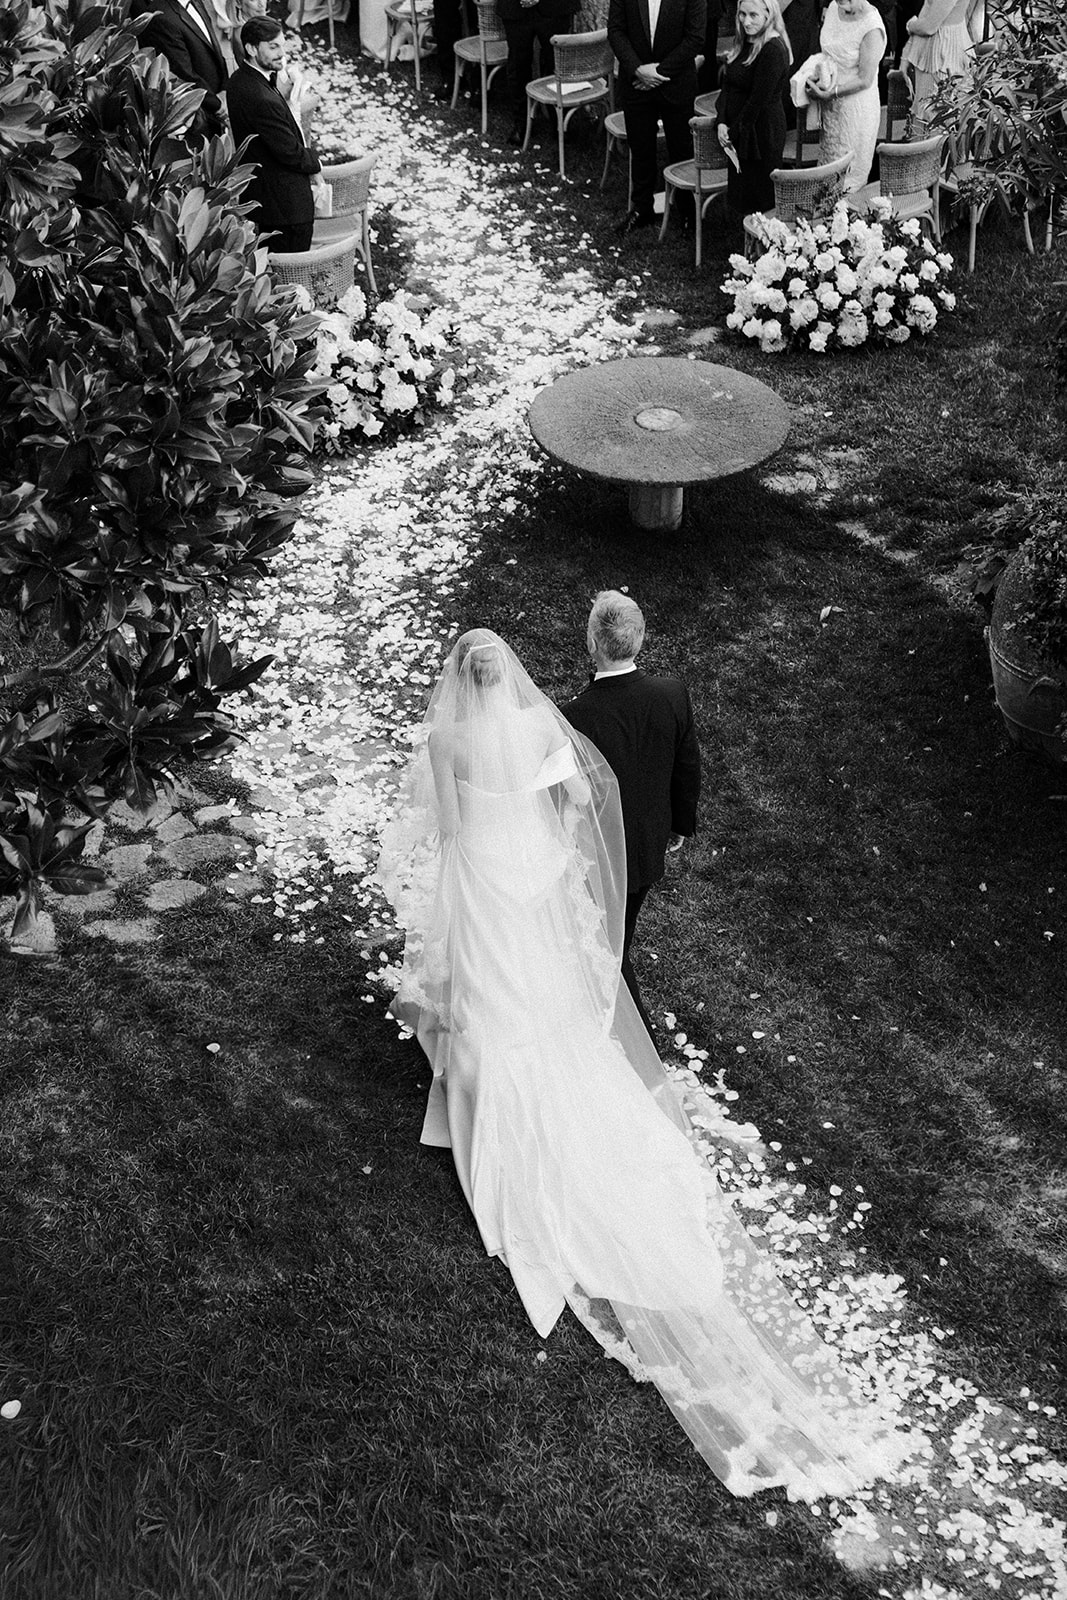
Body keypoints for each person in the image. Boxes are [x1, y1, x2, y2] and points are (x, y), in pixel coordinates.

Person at [377, 628, 916, 1502]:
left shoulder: (448, 739)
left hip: (485, 871)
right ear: (502, 672)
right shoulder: (537, 721)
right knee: (546, 994)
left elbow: (443, 824)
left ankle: (477, 1088)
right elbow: (574, 810)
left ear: (453, 679)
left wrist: (475, 848)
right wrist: (542, 852)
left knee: (490, 989)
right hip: (532, 871)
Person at [561, 591, 699, 1036]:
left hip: (601, 856)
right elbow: (686, 764)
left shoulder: (575, 718)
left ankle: (637, 1045)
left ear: (592, 643)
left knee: (609, 949)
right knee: (616, 936)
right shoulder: (671, 694)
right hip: (648, 844)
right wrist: (680, 823)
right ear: (639, 639)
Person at [226, 16, 324, 254]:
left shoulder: (239, 80)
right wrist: (316, 161)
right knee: (292, 281)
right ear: (251, 49)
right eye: (273, 47)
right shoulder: (261, 98)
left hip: (267, 201)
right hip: (286, 211)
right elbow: (289, 152)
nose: (282, 53)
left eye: (282, 45)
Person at [607, 0, 706, 235]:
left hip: (676, 82)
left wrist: (658, 74)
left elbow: (694, 39)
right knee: (640, 148)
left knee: (682, 149)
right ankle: (641, 209)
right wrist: (638, 70)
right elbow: (616, 31)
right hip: (636, 82)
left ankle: (688, 213)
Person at [715, 0, 792, 216]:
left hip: (761, 131)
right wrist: (721, 120)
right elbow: (727, 85)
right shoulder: (744, 40)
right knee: (743, 192)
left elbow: (757, 101)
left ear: (769, 14)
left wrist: (732, 132)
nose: (745, 21)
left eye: (753, 15)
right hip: (738, 128)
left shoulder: (773, 49)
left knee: (761, 196)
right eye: (742, 14)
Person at [808, 0, 888, 190]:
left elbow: (865, 80)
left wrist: (830, 94)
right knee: (827, 172)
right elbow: (827, 52)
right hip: (830, 107)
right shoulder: (834, 7)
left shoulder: (872, 27)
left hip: (856, 110)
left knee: (848, 180)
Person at [132, 0, 230, 140]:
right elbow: (183, 73)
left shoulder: (196, 3)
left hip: (216, 102)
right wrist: (218, 106)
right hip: (194, 118)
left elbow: (214, 49)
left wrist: (225, 90)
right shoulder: (161, 17)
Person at [496, 0, 580, 146]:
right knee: (517, 65)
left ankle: (559, 123)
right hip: (515, 8)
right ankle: (522, 122)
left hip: (554, 8)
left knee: (557, 65)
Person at [900, 0, 980, 126]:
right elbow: (927, 13)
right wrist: (907, 53)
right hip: (937, 50)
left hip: (942, 54)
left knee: (935, 117)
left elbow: (928, 27)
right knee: (930, 114)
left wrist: (910, 25)